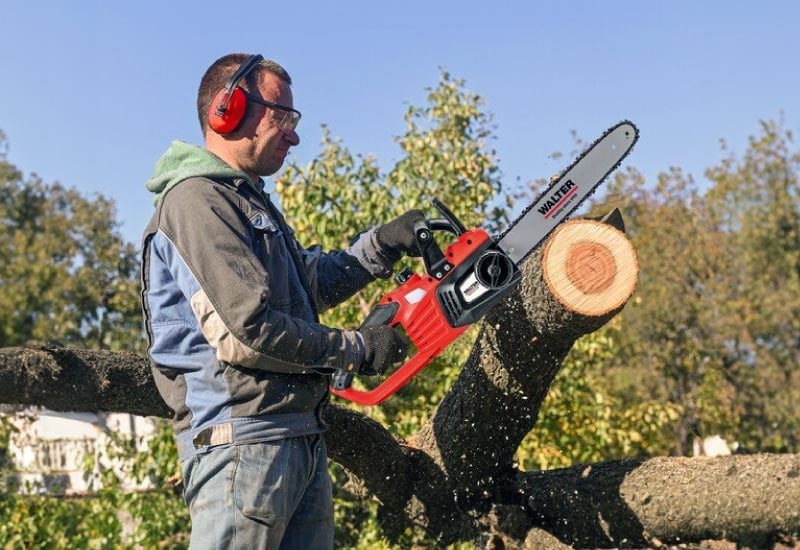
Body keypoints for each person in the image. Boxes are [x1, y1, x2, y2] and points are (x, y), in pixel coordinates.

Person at [140, 52, 423, 549]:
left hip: (294, 436)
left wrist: (380, 246)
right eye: (282, 117)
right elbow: (244, 331)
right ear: (227, 110)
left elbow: (304, 282)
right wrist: (355, 347)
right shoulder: (196, 201)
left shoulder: (245, 200)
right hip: (243, 443)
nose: (293, 134)